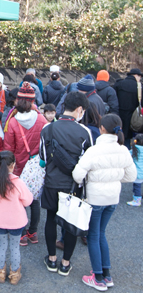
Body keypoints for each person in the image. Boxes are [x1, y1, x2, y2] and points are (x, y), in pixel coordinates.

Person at [72, 114, 136, 291]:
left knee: (93, 235)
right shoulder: (123, 150)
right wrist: (113, 179)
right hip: (112, 198)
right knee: (101, 234)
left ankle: (98, 277)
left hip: (95, 198)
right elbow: (132, 176)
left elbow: (77, 175)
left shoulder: (94, 150)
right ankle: (106, 275)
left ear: (101, 129)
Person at [40, 91, 93, 276]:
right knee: (71, 222)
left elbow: (43, 157)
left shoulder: (48, 129)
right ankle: (65, 263)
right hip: (73, 185)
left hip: (52, 182)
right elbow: (89, 161)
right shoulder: (84, 132)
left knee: (50, 219)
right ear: (79, 109)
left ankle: (52, 259)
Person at [3, 83, 47, 246]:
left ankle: (21, 233)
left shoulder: (13, 122)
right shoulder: (42, 119)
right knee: (34, 200)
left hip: (18, 167)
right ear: (33, 101)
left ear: (19, 101)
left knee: (18, 200)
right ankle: (33, 232)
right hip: (35, 167)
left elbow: (8, 148)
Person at [0, 151, 33, 285]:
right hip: (17, 222)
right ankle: (14, 275)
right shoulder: (18, 183)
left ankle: (0, 273)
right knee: (14, 247)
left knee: (1, 245)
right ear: (13, 165)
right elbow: (28, 201)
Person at [113, 68, 143, 147]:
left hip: (119, 116)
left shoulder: (119, 84)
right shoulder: (139, 87)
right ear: (136, 76)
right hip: (133, 119)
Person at [128, 134, 143, 206]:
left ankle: (137, 200)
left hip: (138, 172)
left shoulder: (134, 149)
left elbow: (127, 155)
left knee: (137, 186)